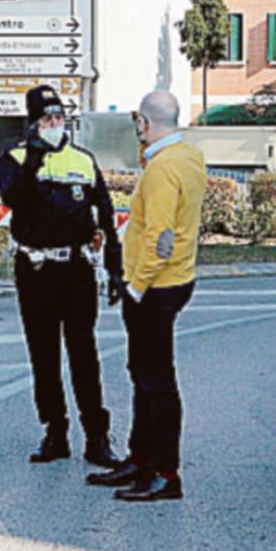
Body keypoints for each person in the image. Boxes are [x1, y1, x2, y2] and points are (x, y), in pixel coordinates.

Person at [86, 91, 206, 502]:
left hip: (156, 287)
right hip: (175, 280)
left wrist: (135, 286)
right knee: (143, 374)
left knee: (156, 380)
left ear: (144, 124)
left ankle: (166, 473)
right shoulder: (187, 158)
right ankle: (141, 459)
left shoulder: (162, 169)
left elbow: (161, 237)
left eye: (138, 122)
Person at [0, 86, 124, 468]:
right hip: (35, 268)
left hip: (75, 269)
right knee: (44, 355)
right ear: (33, 123)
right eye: (46, 120)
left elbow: (105, 215)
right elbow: (14, 198)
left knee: (84, 354)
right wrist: (35, 158)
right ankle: (55, 430)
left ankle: (97, 437)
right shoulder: (15, 159)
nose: (54, 125)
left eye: (58, 119)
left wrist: (115, 269)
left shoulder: (83, 160)